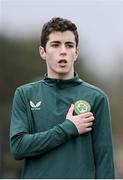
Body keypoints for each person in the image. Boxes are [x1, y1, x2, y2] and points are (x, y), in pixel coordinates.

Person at [10, 17, 115, 179]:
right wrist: (68, 128)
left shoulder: (96, 97)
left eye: (69, 45)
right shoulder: (25, 94)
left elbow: (104, 160)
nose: (63, 51)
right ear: (42, 52)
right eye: (55, 44)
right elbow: (18, 148)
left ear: (76, 52)